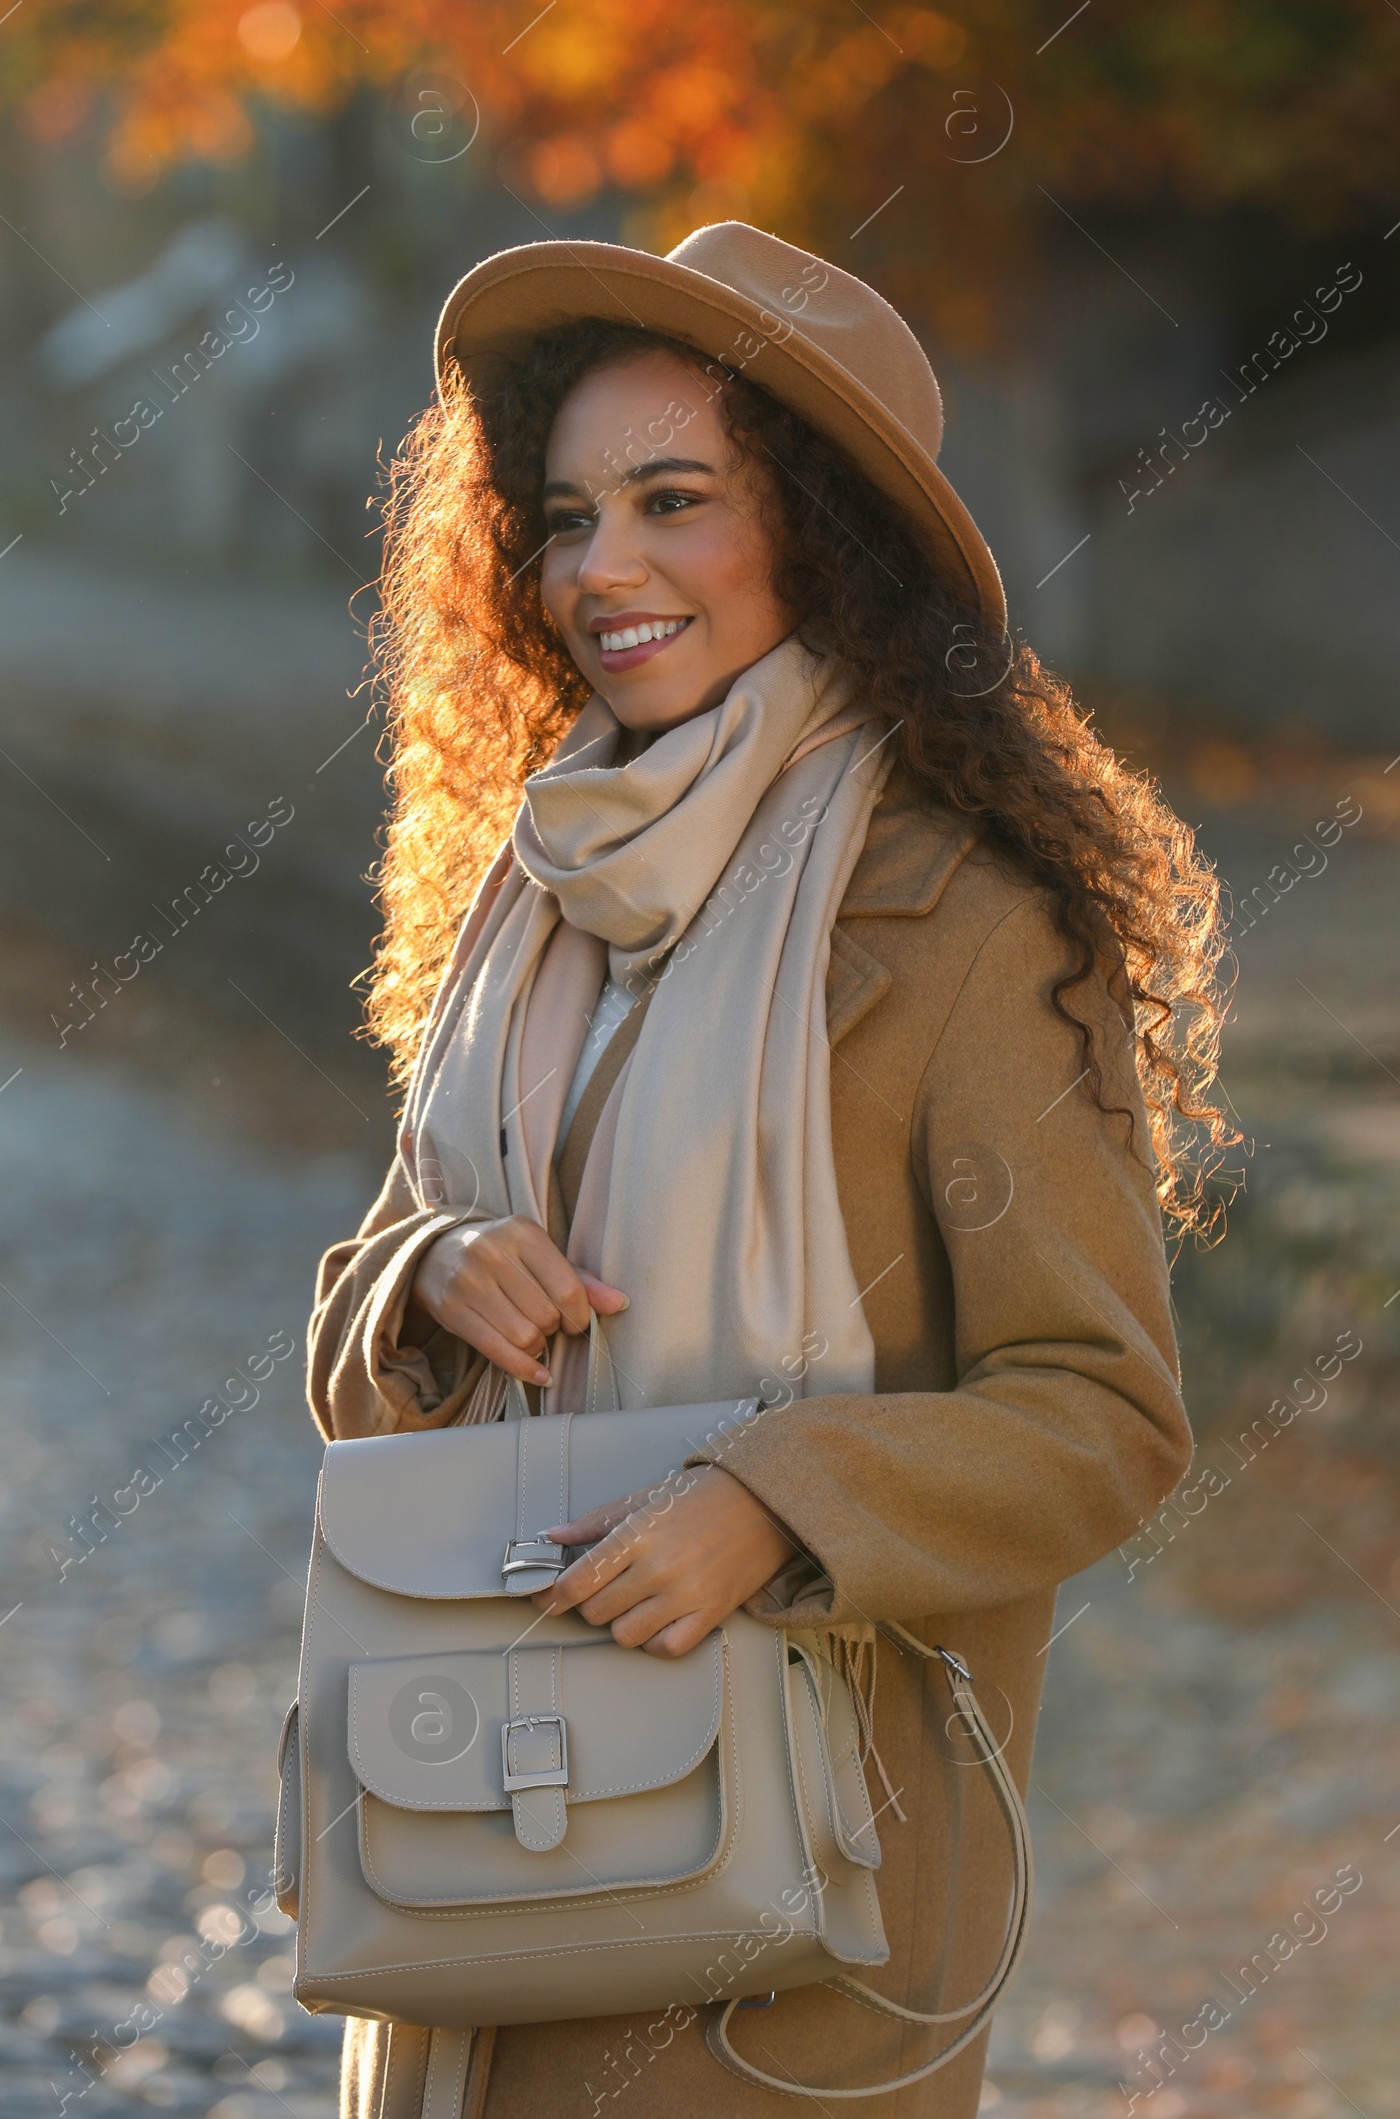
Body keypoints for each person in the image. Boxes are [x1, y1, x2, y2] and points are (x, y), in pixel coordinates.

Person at [306, 221, 1231, 2116]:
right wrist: (426, 1274)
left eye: (673, 501)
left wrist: (774, 1503)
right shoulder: (533, 890)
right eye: (565, 518)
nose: (602, 570)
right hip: (476, 1859)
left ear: (819, 533)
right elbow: (369, 1310)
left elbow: (1105, 1415)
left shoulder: (966, 924)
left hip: (794, 1909)